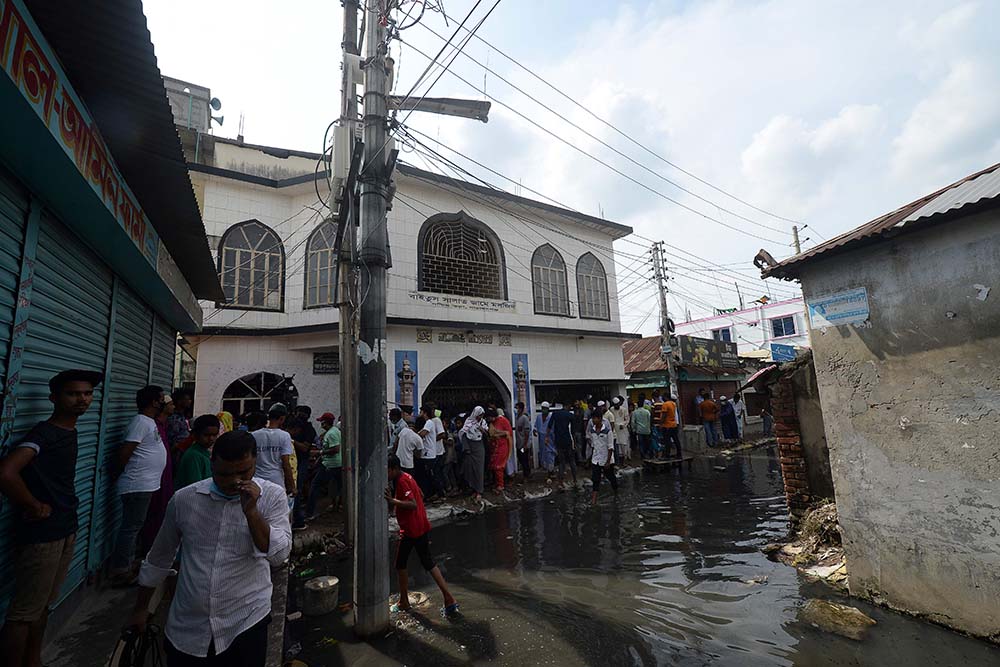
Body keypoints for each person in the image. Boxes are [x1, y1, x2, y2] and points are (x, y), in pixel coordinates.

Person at [127, 431, 292, 666]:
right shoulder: (184, 500)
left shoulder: (272, 497)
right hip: (188, 628)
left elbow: (278, 555)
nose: (235, 481)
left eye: (243, 472)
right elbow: (159, 557)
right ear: (211, 463)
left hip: (246, 620)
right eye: (225, 474)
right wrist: (141, 608)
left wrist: (252, 512)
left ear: (255, 462)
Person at [0, 369, 102, 667]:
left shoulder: (69, 430)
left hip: (64, 528)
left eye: (86, 393)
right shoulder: (45, 433)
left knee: (43, 607)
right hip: (43, 536)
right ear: (53, 398)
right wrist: (32, 504)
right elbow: (6, 473)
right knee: (23, 613)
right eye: (73, 393)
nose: (82, 399)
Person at [385, 454, 458, 616]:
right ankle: (449, 598)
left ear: (394, 469)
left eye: (387, 471)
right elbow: (421, 495)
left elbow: (412, 504)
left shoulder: (403, 481)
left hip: (411, 529)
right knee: (428, 562)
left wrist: (393, 501)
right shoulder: (407, 477)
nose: (386, 475)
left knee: (400, 563)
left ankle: (404, 602)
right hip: (419, 525)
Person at [111, 385, 168, 584]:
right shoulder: (140, 422)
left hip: (145, 485)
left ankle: (127, 563)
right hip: (137, 485)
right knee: (131, 527)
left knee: (135, 526)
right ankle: (121, 571)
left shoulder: (149, 422)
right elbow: (126, 451)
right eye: (162, 398)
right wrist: (117, 474)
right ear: (153, 402)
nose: (164, 402)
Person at [250, 404, 295, 502]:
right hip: (276, 480)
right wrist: (292, 486)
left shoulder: (254, 435)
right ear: (282, 418)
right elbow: (286, 464)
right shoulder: (284, 436)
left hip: (257, 480)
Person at [306, 413, 342, 519]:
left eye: (322, 421)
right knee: (337, 486)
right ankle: (335, 506)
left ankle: (310, 513)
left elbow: (336, 449)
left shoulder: (331, 434)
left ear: (325, 422)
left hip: (330, 465)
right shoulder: (333, 431)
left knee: (315, 486)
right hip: (334, 464)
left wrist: (320, 452)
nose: (321, 424)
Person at [175, 415, 221, 490]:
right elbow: (195, 486)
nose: (211, 439)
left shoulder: (204, 452)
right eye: (206, 435)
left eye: (214, 435)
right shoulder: (194, 455)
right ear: (196, 434)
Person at [586, 409, 617, 504]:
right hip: (596, 459)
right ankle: (594, 500)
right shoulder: (592, 431)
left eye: (595, 418)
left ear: (600, 419)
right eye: (593, 418)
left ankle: (616, 492)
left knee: (611, 477)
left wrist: (608, 461)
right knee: (596, 480)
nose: (594, 420)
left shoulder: (608, 431)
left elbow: (610, 447)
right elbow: (593, 444)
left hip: (606, 459)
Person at [459, 407, 487, 499]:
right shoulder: (469, 421)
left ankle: (479, 490)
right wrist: (466, 448)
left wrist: (482, 429)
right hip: (470, 448)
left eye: (482, 415)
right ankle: (473, 489)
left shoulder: (483, 422)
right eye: (479, 415)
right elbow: (463, 433)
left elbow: (487, 433)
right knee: (470, 470)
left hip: (479, 448)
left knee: (479, 470)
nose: (481, 417)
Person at [416, 406, 441, 501]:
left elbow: (423, 434)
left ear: (425, 413)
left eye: (421, 412)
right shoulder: (426, 423)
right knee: (426, 475)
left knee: (429, 475)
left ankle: (436, 493)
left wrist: (413, 435)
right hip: (425, 453)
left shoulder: (429, 423)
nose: (420, 413)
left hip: (429, 453)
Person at [549, 405, 576, 485]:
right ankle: (575, 479)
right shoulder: (570, 415)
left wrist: (547, 436)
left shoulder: (555, 414)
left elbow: (550, 426)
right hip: (567, 439)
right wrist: (574, 442)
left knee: (561, 462)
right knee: (571, 460)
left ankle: (561, 482)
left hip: (558, 440)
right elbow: (573, 431)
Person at [486, 409, 512, 492]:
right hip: (495, 446)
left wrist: (497, 434)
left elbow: (508, 433)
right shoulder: (492, 423)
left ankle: (501, 485)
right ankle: (497, 483)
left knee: (499, 467)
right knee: (494, 466)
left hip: (502, 446)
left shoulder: (502, 421)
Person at [533, 402, 555, 476]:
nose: (543, 410)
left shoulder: (551, 417)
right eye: (542, 408)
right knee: (542, 452)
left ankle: (551, 469)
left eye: (545, 409)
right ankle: (545, 466)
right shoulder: (539, 417)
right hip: (541, 437)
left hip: (549, 437)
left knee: (550, 452)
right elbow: (536, 425)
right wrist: (534, 430)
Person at [660, 394, 682, 460]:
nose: (662, 398)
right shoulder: (673, 403)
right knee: (676, 439)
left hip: (667, 425)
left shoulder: (665, 404)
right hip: (673, 424)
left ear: (666, 397)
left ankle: (667, 455)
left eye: (663, 397)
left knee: (667, 441)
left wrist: (661, 423)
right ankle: (679, 454)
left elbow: (664, 415)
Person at [514, 402, 532, 481]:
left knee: (524, 459)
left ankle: (527, 475)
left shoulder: (524, 418)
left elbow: (527, 432)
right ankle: (526, 474)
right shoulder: (517, 418)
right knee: (521, 458)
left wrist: (525, 444)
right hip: (519, 443)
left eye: (517, 408)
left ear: (521, 409)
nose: (516, 410)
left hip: (523, 444)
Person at [608, 397, 630, 463]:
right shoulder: (611, 409)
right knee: (617, 445)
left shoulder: (624, 409)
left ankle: (625, 459)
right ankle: (618, 460)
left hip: (622, 429)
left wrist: (623, 425)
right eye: (615, 405)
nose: (616, 406)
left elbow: (627, 419)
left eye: (617, 404)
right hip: (615, 429)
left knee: (624, 444)